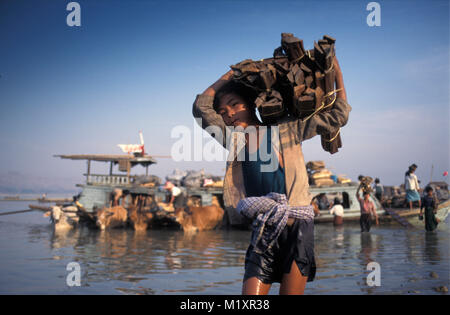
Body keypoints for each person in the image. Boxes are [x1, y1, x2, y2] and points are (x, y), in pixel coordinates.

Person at [192, 56, 351, 295]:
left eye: (235, 105)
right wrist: (230, 75)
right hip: (264, 228)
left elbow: (338, 115)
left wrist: (336, 73)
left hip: (298, 228)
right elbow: (200, 107)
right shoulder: (234, 140)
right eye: (224, 112)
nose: (229, 114)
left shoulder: (288, 127)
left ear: (251, 105)